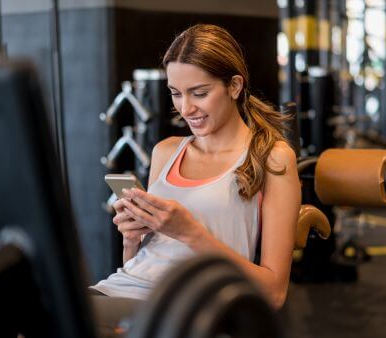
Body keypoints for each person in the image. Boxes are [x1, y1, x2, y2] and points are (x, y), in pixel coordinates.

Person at [90, 23, 300, 326]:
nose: (186, 108)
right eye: (176, 93)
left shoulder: (273, 158)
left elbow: (274, 293)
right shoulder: (166, 151)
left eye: (199, 93)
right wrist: (132, 240)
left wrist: (189, 231)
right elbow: (144, 265)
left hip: (192, 304)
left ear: (234, 86)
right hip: (125, 291)